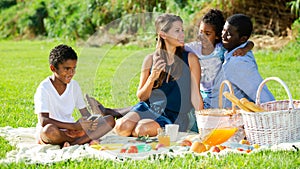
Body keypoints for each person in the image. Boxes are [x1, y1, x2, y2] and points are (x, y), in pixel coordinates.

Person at [104, 13, 203, 137]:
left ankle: (144, 128)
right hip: (148, 108)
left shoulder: (190, 59)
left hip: (173, 115)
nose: (182, 34)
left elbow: (195, 96)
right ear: (163, 34)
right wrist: (153, 77)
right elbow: (141, 97)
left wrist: (204, 123)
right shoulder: (150, 60)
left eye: (182, 30)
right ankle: (137, 127)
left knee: (142, 130)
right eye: (177, 31)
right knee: (121, 127)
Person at [34, 44, 115, 147]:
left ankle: (74, 142)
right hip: (56, 130)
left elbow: (85, 113)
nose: (71, 73)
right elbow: (44, 120)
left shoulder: (74, 85)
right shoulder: (44, 88)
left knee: (109, 120)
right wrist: (74, 126)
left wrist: (91, 123)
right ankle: (80, 141)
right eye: (67, 69)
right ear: (53, 68)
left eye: (74, 68)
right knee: (49, 131)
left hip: (73, 130)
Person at [205, 14, 275, 108]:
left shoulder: (238, 62)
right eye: (223, 31)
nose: (224, 36)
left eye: (229, 34)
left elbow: (261, 95)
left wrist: (275, 110)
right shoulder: (230, 48)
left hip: (220, 115)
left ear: (242, 39)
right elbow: (249, 43)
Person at [185, 9, 254, 102]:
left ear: (217, 35)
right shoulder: (194, 48)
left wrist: (244, 49)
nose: (202, 36)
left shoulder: (221, 48)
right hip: (202, 93)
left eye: (207, 34)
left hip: (219, 92)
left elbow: (249, 43)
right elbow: (176, 47)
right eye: (200, 32)